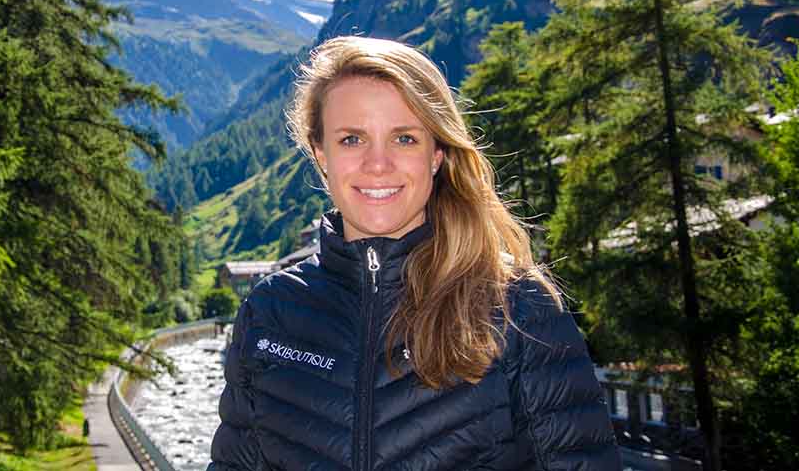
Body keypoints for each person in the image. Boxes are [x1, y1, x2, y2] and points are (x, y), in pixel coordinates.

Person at [207, 36, 621, 470]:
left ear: (437, 154)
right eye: (352, 139)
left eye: (404, 138)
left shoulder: (517, 310)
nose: (378, 164)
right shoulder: (271, 312)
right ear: (320, 154)